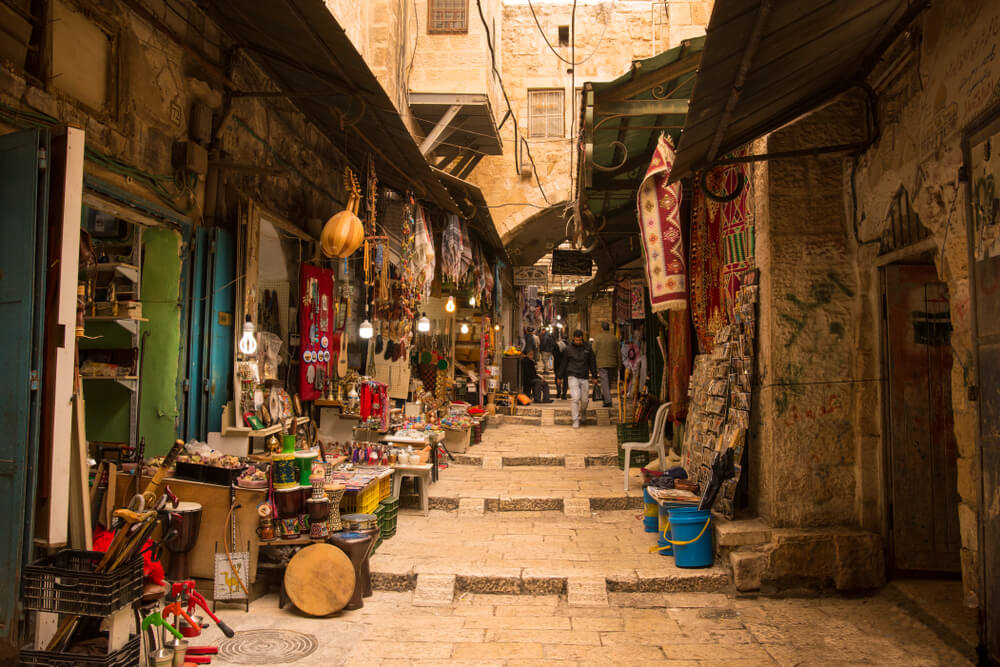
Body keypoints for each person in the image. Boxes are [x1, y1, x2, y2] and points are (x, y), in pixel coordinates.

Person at [558, 329, 597, 428]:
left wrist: (594, 376)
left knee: (584, 399)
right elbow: (564, 363)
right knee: (575, 398)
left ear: (582, 339)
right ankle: (575, 420)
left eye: (580, 340)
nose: (578, 342)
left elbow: (592, 362)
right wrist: (559, 376)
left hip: (584, 376)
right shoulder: (568, 349)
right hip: (572, 375)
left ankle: (583, 411)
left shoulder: (588, 348)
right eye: (576, 340)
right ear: (573, 339)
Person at [592, 322, 621, 408]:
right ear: (609, 328)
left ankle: (608, 401)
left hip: (601, 364)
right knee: (608, 382)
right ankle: (606, 398)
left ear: (602, 328)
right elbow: (618, 353)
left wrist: (592, 365)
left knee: (605, 382)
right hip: (612, 363)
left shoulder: (598, 338)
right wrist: (619, 364)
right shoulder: (614, 339)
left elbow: (593, 352)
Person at [553, 333, 567, 399]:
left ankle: (558, 392)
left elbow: (554, 355)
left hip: (557, 365)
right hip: (566, 365)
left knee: (558, 378)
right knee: (565, 380)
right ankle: (564, 394)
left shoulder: (556, 345)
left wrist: (559, 361)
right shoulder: (569, 345)